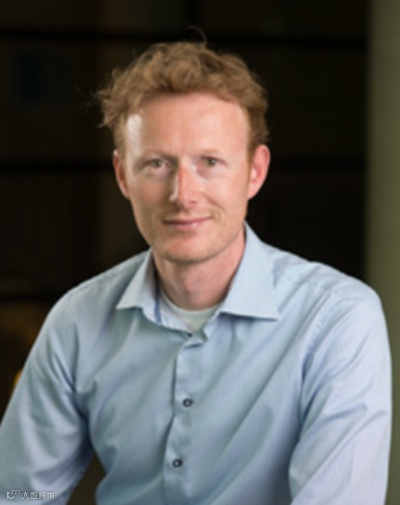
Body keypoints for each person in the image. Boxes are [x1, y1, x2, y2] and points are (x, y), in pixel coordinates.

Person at [0, 41, 391, 505]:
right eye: (157, 164)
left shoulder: (337, 320)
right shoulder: (77, 321)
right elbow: (19, 493)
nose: (182, 195)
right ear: (123, 175)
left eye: (209, 162)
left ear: (255, 171)